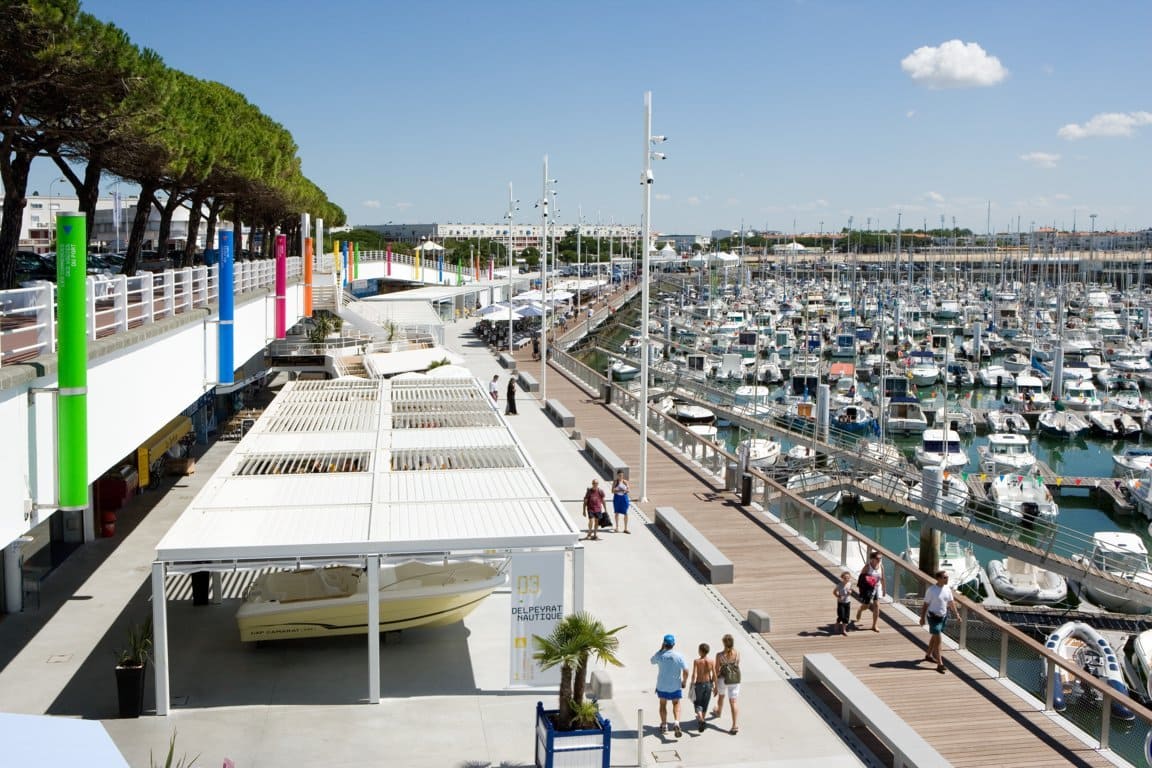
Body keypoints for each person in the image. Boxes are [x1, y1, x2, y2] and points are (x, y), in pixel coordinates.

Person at [919, 570, 960, 673]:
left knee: (935, 636)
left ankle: (928, 655)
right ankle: (940, 663)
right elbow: (925, 605)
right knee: (939, 639)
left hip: (943, 617)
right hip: (933, 618)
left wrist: (957, 615)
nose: (947, 579)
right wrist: (922, 618)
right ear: (938, 578)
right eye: (945, 577)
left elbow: (951, 603)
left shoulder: (947, 589)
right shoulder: (931, 590)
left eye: (947, 577)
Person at [650, 634, 689, 737]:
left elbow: (652, 661)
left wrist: (660, 649)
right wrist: (684, 681)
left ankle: (664, 725)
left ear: (664, 644)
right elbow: (686, 670)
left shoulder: (660, 655)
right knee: (676, 703)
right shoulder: (679, 656)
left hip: (662, 685)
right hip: (675, 685)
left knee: (663, 704)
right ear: (673, 644)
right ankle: (676, 722)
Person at [712, 634, 741, 734]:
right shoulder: (737, 653)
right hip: (734, 680)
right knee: (733, 702)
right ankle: (734, 725)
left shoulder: (719, 655)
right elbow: (737, 665)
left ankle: (718, 712)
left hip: (723, 680)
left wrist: (715, 684)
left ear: (723, 643)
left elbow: (716, 670)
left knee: (721, 696)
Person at [855, 551, 885, 632]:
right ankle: (860, 610)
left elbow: (882, 579)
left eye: (880, 558)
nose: (879, 560)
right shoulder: (867, 567)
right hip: (868, 589)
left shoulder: (881, 566)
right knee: (866, 606)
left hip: (877, 588)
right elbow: (860, 580)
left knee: (877, 605)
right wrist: (861, 591)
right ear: (872, 558)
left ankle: (874, 625)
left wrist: (884, 589)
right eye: (877, 558)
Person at [690, 642, 715, 733]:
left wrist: (692, 684)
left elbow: (694, 674)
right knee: (705, 702)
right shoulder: (711, 661)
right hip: (708, 684)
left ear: (700, 651)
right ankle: (702, 720)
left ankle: (701, 719)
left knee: (697, 702)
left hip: (699, 684)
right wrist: (714, 686)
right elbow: (714, 674)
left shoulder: (697, 661)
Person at [833, 571, 852, 636]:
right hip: (841, 602)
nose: (847, 579)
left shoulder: (849, 584)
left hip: (848, 602)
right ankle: (837, 624)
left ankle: (844, 630)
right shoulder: (839, 585)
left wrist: (850, 592)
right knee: (841, 616)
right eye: (845, 578)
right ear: (842, 578)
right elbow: (834, 592)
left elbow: (850, 590)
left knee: (846, 617)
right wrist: (838, 596)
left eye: (848, 578)